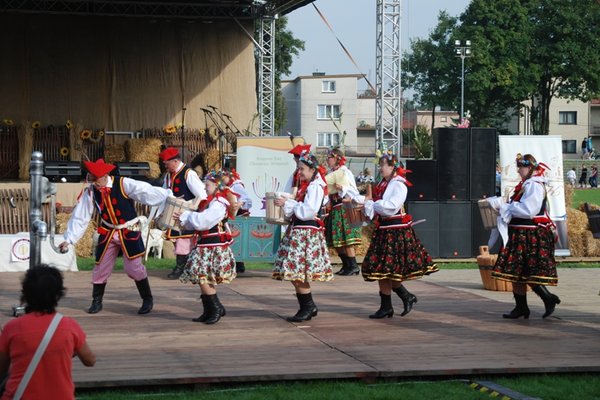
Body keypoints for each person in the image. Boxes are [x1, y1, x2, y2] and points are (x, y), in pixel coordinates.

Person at [59, 159, 172, 314]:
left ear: (106, 176)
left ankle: (147, 299)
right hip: (109, 231)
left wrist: (166, 195)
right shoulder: (91, 191)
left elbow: (145, 191)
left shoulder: (124, 184)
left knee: (134, 269)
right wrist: (69, 239)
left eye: (96, 180)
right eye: (92, 179)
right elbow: (81, 216)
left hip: (128, 230)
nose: (94, 183)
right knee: (100, 268)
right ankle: (96, 301)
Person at [351, 152, 438, 319]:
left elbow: (390, 207)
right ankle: (390, 305)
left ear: (392, 167)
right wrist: (365, 202)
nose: (380, 168)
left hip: (396, 231)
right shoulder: (385, 183)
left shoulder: (398, 184)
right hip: (384, 229)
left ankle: (401, 299)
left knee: (390, 269)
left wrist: (371, 204)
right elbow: (378, 204)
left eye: (382, 165)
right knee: (381, 269)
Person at [0, 265, 96, 400]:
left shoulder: (12, 328)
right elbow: (90, 360)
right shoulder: (69, 326)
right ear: (58, 294)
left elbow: (1, 368)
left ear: (25, 292)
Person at [488, 153, 560, 319]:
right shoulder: (526, 184)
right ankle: (522, 307)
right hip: (519, 233)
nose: (519, 170)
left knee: (527, 270)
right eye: (518, 167)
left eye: (522, 167)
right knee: (515, 271)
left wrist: (506, 207)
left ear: (531, 168)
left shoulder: (535, 185)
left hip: (530, 234)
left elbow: (529, 210)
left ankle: (547, 298)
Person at [272, 151, 333, 321]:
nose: (300, 173)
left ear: (312, 169)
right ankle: (308, 306)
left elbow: (309, 211)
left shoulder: (316, 186)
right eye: (299, 169)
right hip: (299, 230)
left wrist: (288, 203)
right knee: (294, 272)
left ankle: (308, 307)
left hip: (306, 231)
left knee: (298, 272)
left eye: (302, 169)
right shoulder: (309, 185)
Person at [175, 171, 238, 324]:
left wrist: (187, 215)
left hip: (213, 245)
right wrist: (182, 219)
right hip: (205, 245)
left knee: (204, 278)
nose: (205, 188)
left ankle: (215, 308)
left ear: (217, 186)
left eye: (207, 185)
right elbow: (196, 223)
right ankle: (210, 309)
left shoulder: (219, 203)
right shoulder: (209, 202)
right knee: (200, 277)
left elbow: (204, 222)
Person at [160, 147, 207, 279]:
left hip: (186, 215)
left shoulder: (188, 174)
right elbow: (165, 192)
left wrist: (189, 207)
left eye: (166, 163)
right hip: (174, 214)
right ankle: (184, 267)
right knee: (179, 241)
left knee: (184, 242)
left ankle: (182, 269)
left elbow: (202, 195)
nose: (165, 166)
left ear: (175, 161)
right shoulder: (169, 175)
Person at [324, 147, 362, 276]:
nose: (327, 160)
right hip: (335, 209)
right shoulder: (331, 174)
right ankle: (346, 265)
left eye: (329, 158)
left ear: (336, 159)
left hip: (345, 207)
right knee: (336, 240)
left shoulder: (345, 172)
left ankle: (354, 265)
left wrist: (343, 187)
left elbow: (354, 191)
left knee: (347, 238)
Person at [221, 168, 252, 273]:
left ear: (228, 176)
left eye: (223, 177)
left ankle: (239, 264)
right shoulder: (224, 186)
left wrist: (240, 203)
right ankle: (232, 264)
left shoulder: (236, 186)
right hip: (229, 216)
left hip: (238, 216)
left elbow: (247, 200)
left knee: (237, 241)